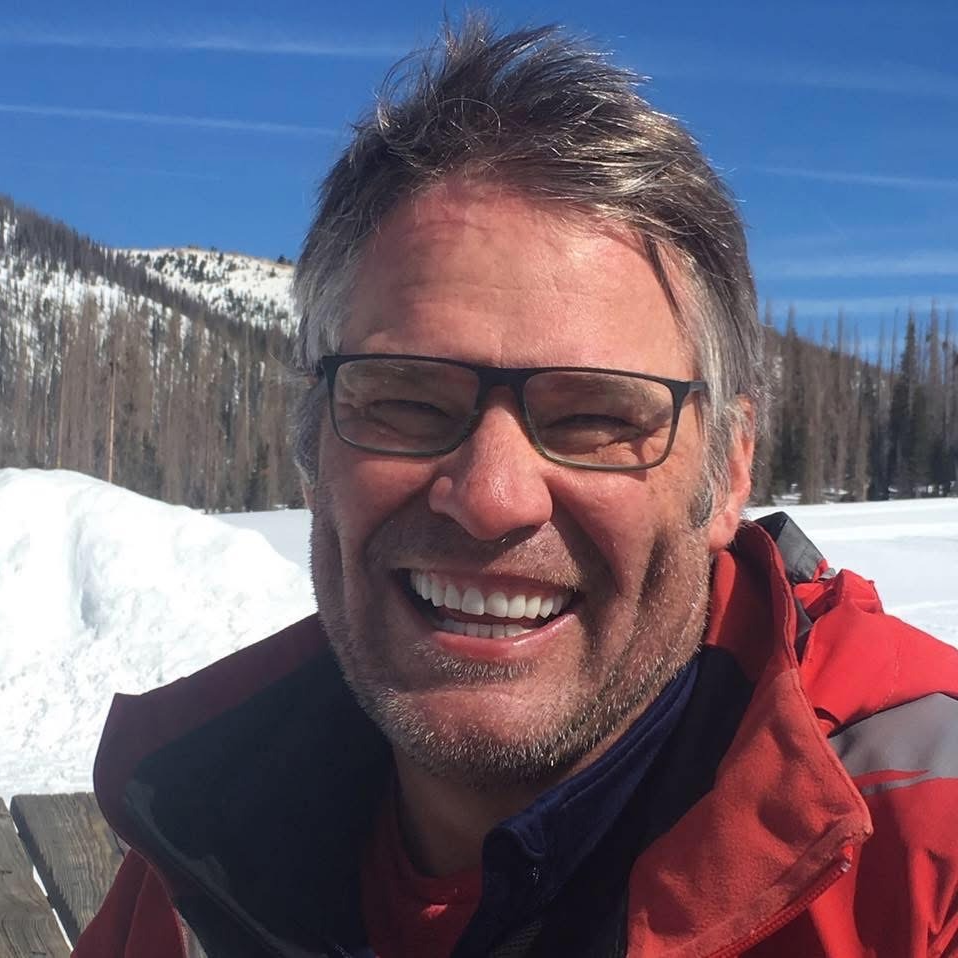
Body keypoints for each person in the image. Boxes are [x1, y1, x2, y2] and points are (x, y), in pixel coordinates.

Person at [74, 18, 958, 958]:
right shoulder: (205, 825)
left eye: (595, 416)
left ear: (729, 469)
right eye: (406, 401)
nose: (491, 497)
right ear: (312, 449)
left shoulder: (916, 849)